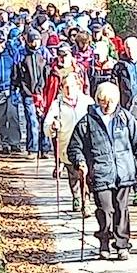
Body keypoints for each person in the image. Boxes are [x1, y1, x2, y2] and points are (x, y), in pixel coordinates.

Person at [66, 82, 137, 261]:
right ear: (98, 100)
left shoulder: (125, 118)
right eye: (104, 101)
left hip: (124, 173)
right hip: (100, 172)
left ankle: (122, 244)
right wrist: (80, 161)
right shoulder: (87, 122)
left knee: (122, 209)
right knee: (105, 209)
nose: (108, 105)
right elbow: (74, 147)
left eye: (111, 101)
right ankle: (104, 242)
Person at [44, 72, 92, 213]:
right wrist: (53, 126)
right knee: (73, 174)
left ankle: (86, 200)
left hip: (85, 145)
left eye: (72, 86)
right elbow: (47, 125)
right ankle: (76, 196)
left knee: (85, 173)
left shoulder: (87, 102)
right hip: (66, 145)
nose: (69, 90)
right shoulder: (57, 104)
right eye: (66, 87)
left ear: (78, 86)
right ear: (61, 88)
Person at [14, 29, 51, 159]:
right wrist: (17, 89)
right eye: (32, 41)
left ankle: (45, 148)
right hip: (28, 93)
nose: (35, 43)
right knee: (32, 120)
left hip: (43, 93)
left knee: (44, 120)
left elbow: (48, 73)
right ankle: (33, 149)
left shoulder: (44, 54)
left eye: (37, 40)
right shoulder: (21, 55)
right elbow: (16, 74)